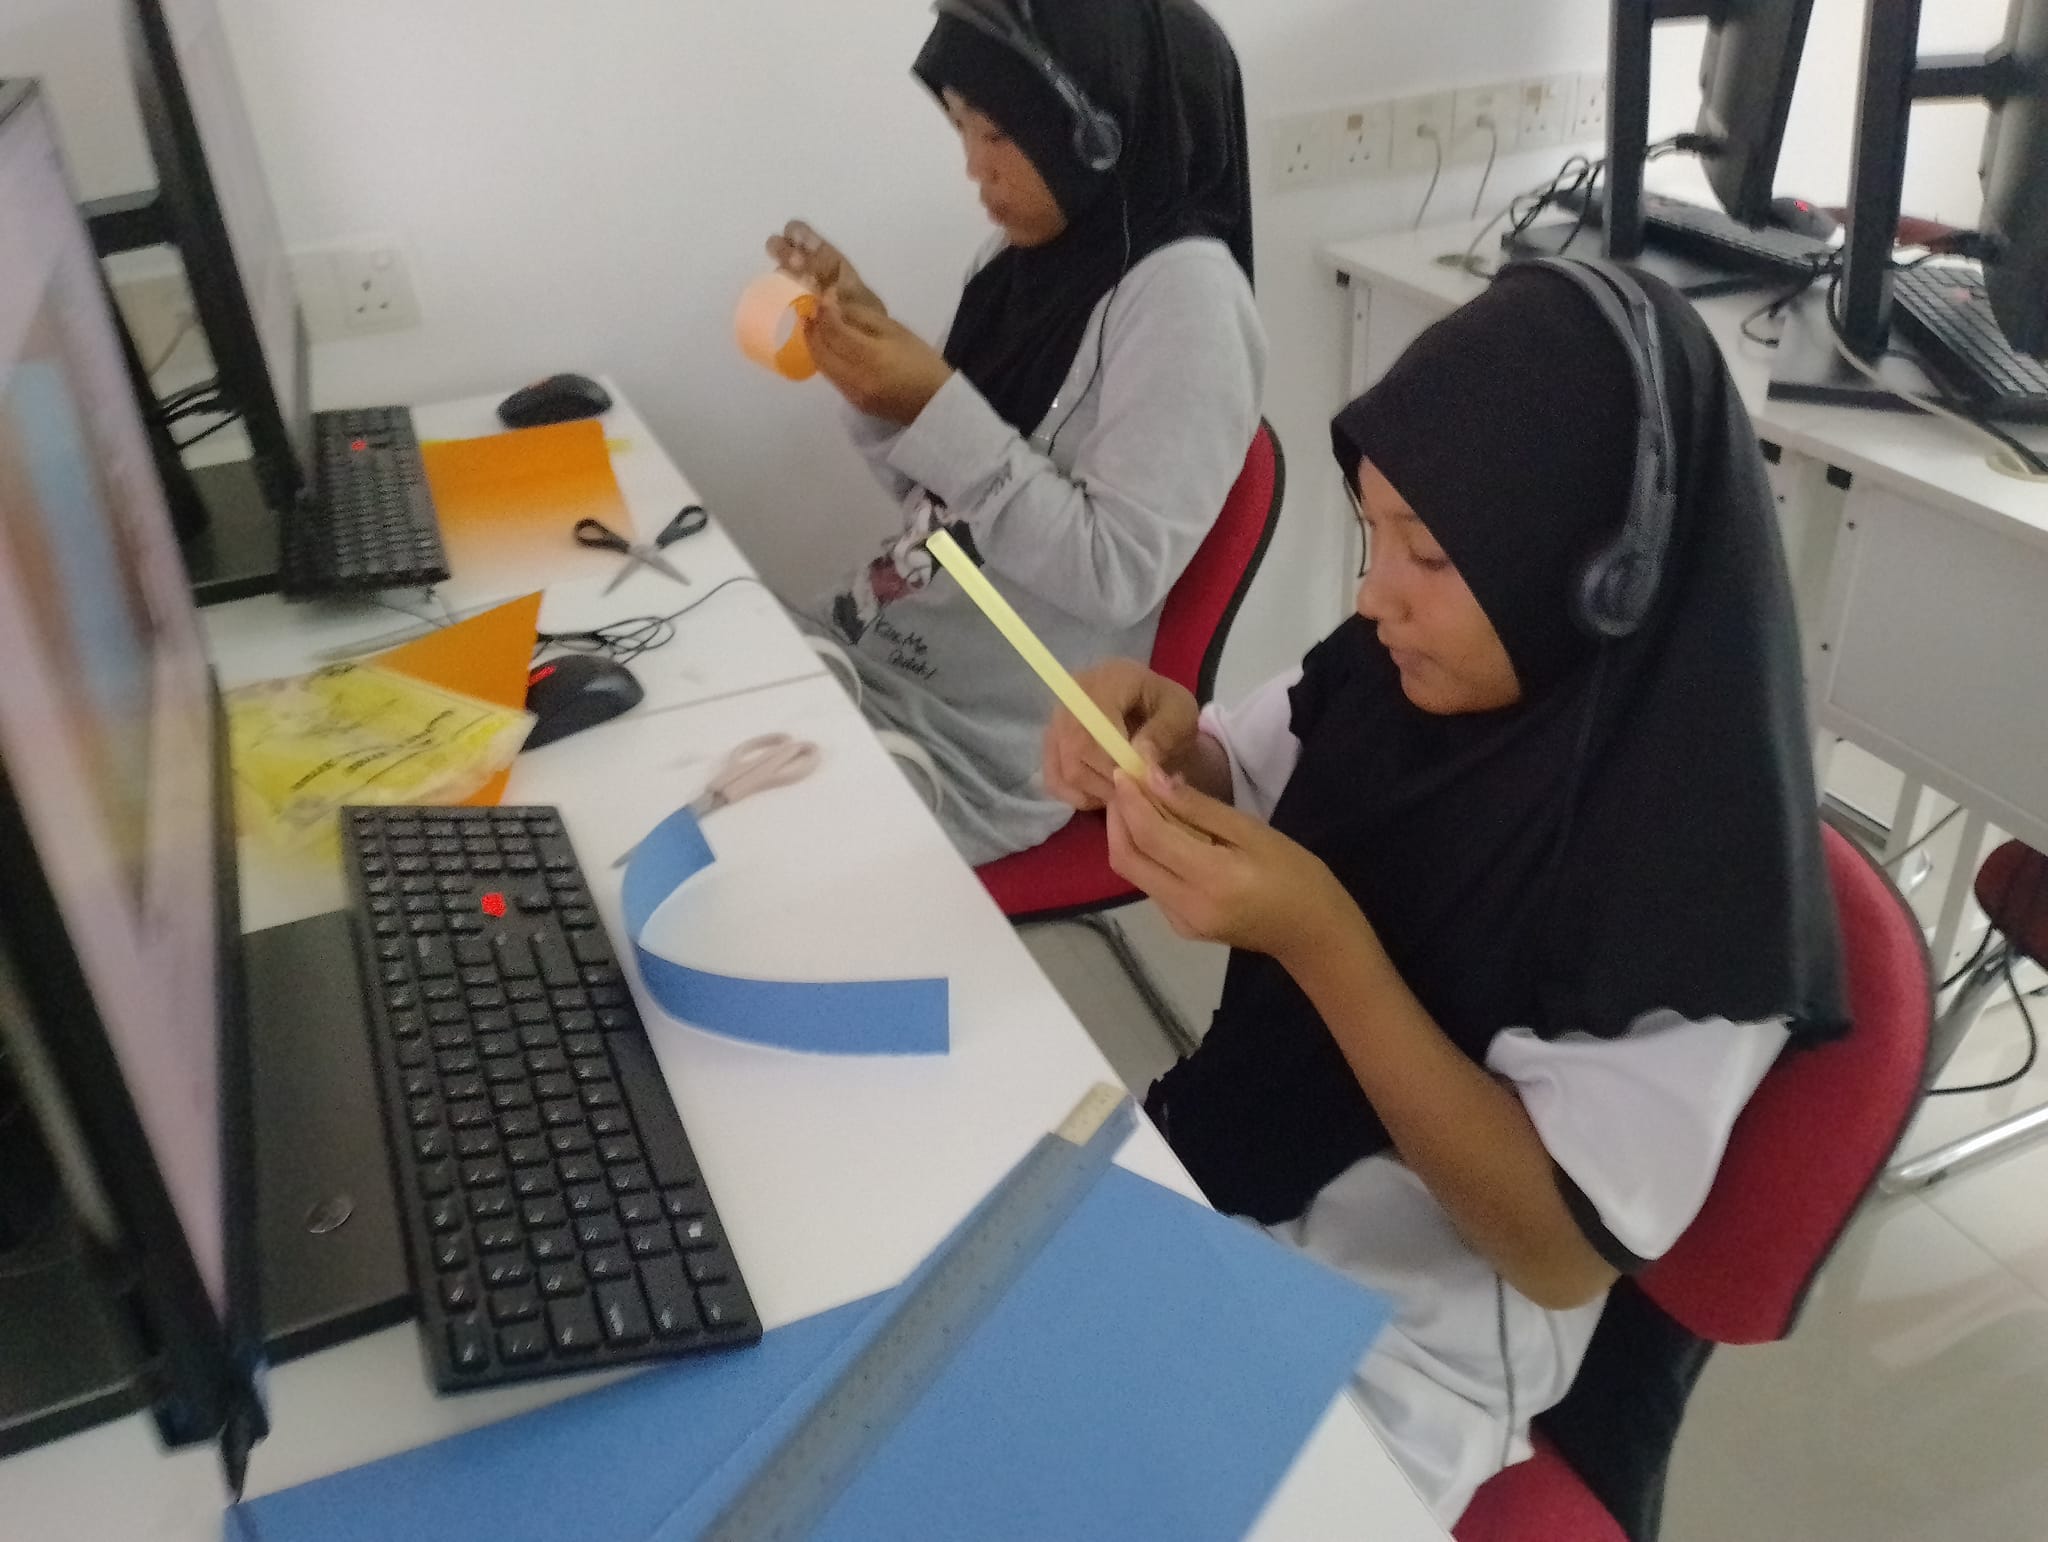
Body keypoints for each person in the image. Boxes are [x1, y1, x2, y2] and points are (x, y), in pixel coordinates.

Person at [1039, 260, 1849, 1525]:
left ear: (1601, 569)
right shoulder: (1397, 663)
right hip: (1223, 1181)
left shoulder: (1693, 874)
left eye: (1425, 552)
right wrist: (1151, 745)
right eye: (1372, 533)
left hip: (1403, 1335)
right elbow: (1242, 767)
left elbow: (1553, 1251)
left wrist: (1323, 944)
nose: (1374, 594)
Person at [769, 0, 1265, 865]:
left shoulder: (1186, 299)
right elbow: (945, 504)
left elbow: (1114, 573)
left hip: (978, 746)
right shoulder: (1016, 262)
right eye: (961, 128)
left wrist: (934, 404)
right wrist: (876, 380)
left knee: (742, 841)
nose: (973, 166)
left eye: (997, 134)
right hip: (870, 651)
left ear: (1097, 135)